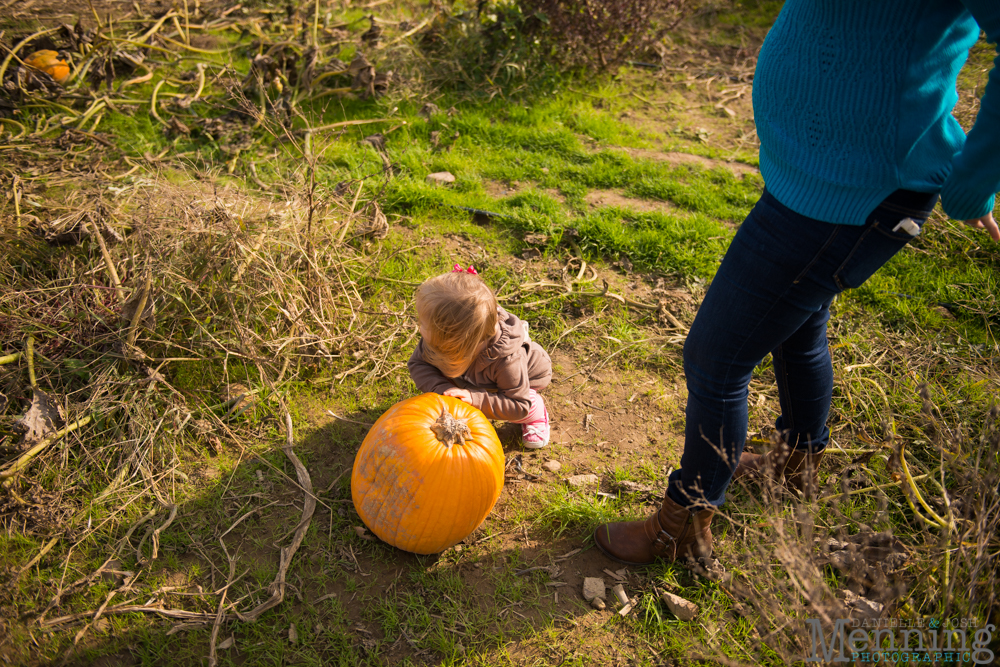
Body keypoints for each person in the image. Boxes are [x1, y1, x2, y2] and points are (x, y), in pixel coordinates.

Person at [594, 0, 1000, 566]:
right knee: (797, 324)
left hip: (854, 194)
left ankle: (680, 528)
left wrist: (976, 180)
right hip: (814, 177)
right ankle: (796, 462)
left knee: (716, 360)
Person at [408, 265, 553, 448]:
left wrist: (475, 400)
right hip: (474, 377)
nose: (420, 328)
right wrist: (444, 391)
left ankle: (537, 414)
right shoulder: (436, 341)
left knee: (524, 406)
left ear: (459, 343)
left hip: (520, 385)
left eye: (424, 324)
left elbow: (517, 405)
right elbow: (418, 364)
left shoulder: (507, 361)